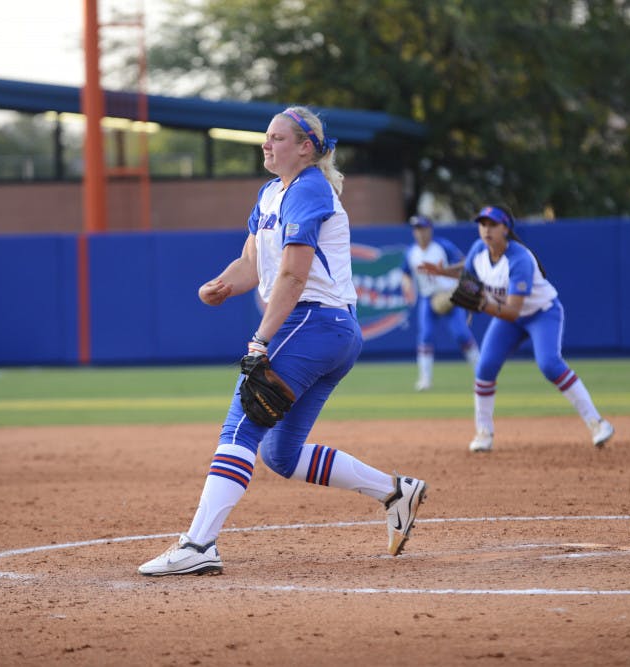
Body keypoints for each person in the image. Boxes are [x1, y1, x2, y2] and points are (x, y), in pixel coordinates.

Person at [138, 106, 428, 576]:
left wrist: (260, 341)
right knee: (281, 454)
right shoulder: (272, 192)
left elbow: (293, 276)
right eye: (266, 137)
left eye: (276, 138)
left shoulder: (310, 187)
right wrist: (220, 285)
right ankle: (395, 492)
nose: (266, 145)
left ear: (305, 147)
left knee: (239, 429)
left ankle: (198, 545)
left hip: (313, 323)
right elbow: (252, 264)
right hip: (330, 331)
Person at [423, 204, 614, 452]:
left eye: (493, 224)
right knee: (485, 367)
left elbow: (513, 310)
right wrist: (443, 272)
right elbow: (468, 272)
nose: (486, 229)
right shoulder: (478, 250)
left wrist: (481, 303)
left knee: (549, 364)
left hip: (541, 313)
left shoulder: (520, 259)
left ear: (506, 228)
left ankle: (597, 423)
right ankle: (483, 433)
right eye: (482, 224)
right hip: (506, 316)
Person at [400, 215, 480, 391]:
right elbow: (405, 272)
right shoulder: (411, 252)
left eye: (422, 228)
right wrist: (407, 285)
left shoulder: (442, 246)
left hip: (449, 296)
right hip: (427, 298)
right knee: (425, 336)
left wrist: (457, 283)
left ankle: (481, 374)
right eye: (416, 229)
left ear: (430, 229)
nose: (420, 233)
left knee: (461, 334)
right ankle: (425, 380)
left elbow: (464, 263)